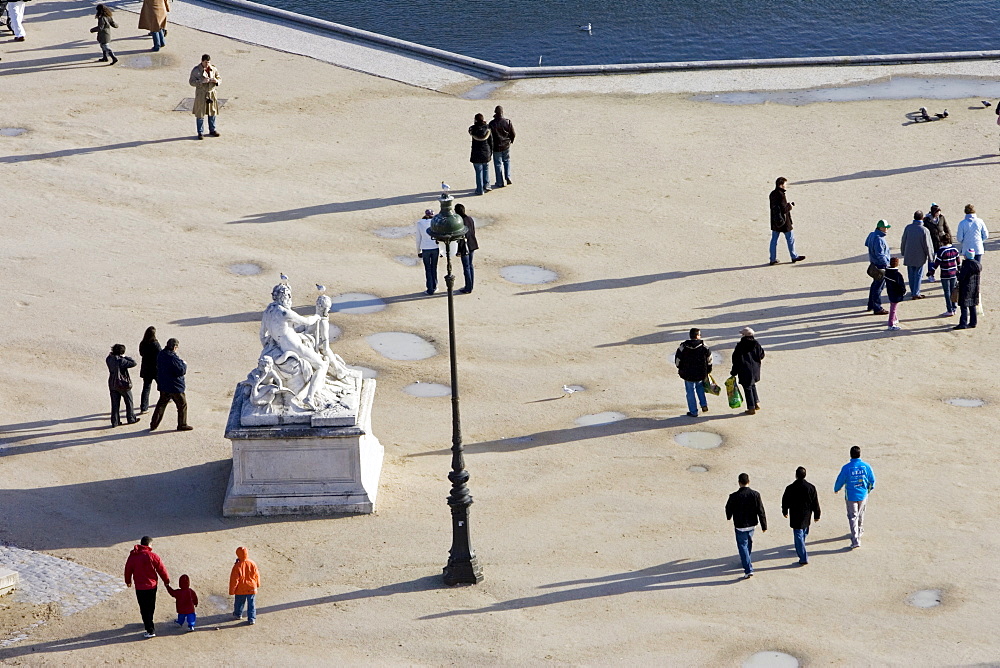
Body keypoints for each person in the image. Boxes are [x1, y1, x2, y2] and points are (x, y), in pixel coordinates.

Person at [124, 536, 170, 638]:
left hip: (140, 587)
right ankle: (149, 624)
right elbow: (161, 569)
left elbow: (128, 569)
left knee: (144, 608)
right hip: (152, 586)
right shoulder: (153, 556)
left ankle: (149, 627)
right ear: (149, 544)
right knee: (151, 605)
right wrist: (166, 581)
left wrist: (128, 581)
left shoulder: (133, 556)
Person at [725, 473, 767, 579]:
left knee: (742, 545)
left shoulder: (734, 496)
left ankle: (748, 569)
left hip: (740, 525)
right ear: (749, 481)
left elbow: (728, 508)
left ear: (739, 482)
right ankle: (746, 559)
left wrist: (729, 516)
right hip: (751, 524)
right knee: (748, 541)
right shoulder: (755, 494)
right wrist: (764, 525)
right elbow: (761, 510)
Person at [834, 446, 876, 549]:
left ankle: (856, 539)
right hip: (863, 495)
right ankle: (860, 530)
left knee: (853, 517)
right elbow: (872, 481)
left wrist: (836, 488)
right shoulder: (866, 466)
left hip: (851, 496)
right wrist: (868, 490)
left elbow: (841, 479)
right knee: (860, 514)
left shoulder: (847, 467)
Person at [149, 338, 193, 431]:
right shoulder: (172, 358)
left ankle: (154, 424)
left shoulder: (161, 354)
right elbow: (181, 371)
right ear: (174, 347)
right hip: (174, 386)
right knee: (182, 405)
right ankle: (182, 424)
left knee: (161, 404)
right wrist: (184, 364)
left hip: (164, 385)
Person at [781, 467, 821, 565]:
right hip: (807, 514)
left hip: (795, 514)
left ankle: (803, 556)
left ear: (796, 475)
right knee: (804, 531)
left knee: (798, 534)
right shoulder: (811, 487)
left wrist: (785, 511)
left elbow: (785, 500)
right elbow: (815, 502)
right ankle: (801, 549)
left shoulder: (790, 488)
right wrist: (817, 514)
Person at [674, 328, 712, 418]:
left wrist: (680, 368)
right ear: (698, 336)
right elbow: (709, 360)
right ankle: (703, 404)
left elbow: (677, 360)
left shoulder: (683, 347)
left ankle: (693, 411)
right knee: (700, 388)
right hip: (700, 372)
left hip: (687, 373)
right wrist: (708, 370)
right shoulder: (704, 347)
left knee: (690, 391)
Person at [768, 177, 805, 265]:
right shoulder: (781, 194)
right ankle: (794, 256)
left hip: (775, 221)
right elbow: (784, 209)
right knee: (790, 239)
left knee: (774, 240)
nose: (786, 186)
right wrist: (790, 205)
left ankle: (772, 259)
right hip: (784, 222)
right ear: (781, 185)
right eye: (785, 184)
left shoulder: (772, 194)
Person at [730, 326, 764, 415]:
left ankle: (751, 407)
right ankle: (756, 402)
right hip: (755, 369)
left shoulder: (740, 346)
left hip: (745, 369)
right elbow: (762, 355)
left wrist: (733, 372)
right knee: (752, 385)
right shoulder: (756, 344)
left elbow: (736, 360)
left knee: (747, 388)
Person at [899, 210, 933, 299]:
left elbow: (903, 241)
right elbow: (928, 245)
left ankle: (913, 290)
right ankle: (916, 293)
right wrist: (930, 257)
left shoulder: (908, 228)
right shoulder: (924, 230)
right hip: (920, 256)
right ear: (922, 218)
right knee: (918, 274)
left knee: (911, 274)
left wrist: (903, 252)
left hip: (909, 254)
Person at [107, 344, 140, 427]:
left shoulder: (109, 359)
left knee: (114, 404)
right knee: (129, 401)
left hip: (112, 383)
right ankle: (131, 418)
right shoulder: (121, 360)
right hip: (122, 384)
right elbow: (133, 363)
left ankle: (115, 422)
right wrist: (124, 356)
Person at [189, 54, 221, 140]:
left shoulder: (213, 69)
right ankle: (200, 132)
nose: (207, 64)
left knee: (212, 112)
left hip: (211, 93)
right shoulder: (196, 70)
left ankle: (212, 130)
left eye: (208, 62)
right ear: (202, 61)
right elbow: (191, 82)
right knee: (200, 113)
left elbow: (219, 78)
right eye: (206, 62)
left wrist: (216, 81)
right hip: (201, 94)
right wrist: (201, 81)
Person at [865, 219, 891, 315]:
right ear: (880, 228)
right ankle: (877, 307)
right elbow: (880, 254)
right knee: (878, 287)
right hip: (880, 266)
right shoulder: (879, 239)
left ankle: (871, 305)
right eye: (885, 228)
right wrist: (887, 264)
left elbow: (867, 243)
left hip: (874, 264)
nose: (886, 229)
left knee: (874, 285)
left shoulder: (872, 235)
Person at [230, 546, 260, 625]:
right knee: (251, 604)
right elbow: (257, 575)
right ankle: (252, 618)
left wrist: (232, 591)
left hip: (241, 588)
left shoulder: (237, 566)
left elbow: (234, 580)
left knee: (239, 602)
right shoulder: (252, 563)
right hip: (252, 587)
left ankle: (238, 614)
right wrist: (257, 584)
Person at [954, 249, 981, 330]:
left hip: (965, 288)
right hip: (975, 288)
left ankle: (963, 323)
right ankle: (973, 322)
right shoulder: (977, 265)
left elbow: (961, 278)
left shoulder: (967, 265)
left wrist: (957, 273)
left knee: (964, 306)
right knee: (972, 305)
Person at [455, 202, 479, 294]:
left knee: (466, 267)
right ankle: (470, 285)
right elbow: (472, 231)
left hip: (465, 247)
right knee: (470, 265)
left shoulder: (460, 222)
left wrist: (459, 250)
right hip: (472, 244)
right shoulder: (470, 219)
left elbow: (461, 237)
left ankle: (468, 287)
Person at [488, 105, 515, 188]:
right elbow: (513, 133)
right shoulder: (508, 121)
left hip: (496, 146)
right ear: (502, 112)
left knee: (498, 164)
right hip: (506, 145)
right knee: (506, 161)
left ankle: (500, 182)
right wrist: (510, 141)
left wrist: (490, 146)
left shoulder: (492, 123)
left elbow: (490, 137)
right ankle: (508, 177)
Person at [922, 204, 950, 281]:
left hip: (941, 243)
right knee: (931, 260)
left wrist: (949, 239)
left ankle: (943, 274)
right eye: (937, 212)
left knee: (942, 259)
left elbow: (946, 228)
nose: (939, 214)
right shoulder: (927, 220)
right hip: (931, 243)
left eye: (939, 212)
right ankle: (930, 275)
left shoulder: (942, 218)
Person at [415, 209, 440, 295]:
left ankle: (429, 289)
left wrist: (418, 250)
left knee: (428, 269)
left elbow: (418, 239)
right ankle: (434, 286)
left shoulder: (419, 223)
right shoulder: (436, 223)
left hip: (425, 248)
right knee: (434, 267)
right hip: (435, 248)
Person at [138, 326, 161, 414]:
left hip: (146, 368)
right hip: (155, 368)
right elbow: (160, 355)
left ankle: (144, 407)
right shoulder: (155, 344)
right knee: (162, 384)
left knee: (146, 388)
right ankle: (167, 398)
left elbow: (141, 353)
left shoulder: (143, 343)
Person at [936, 234, 960, 317]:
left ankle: (949, 309)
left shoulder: (941, 251)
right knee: (953, 290)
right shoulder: (955, 249)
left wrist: (931, 272)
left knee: (947, 292)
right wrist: (959, 269)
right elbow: (958, 261)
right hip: (954, 273)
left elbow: (937, 263)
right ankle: (954, 307)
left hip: (945, 274)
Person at [469, 113, 492, 195]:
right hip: (485, 152)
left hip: (476, 154)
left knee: (478, 172)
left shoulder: (473, 129)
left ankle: (480, 189)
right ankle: (487, 186)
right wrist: (490, 152)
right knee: (486, 169)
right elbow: (490, 142)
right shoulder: (487, 129)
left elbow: (470, 130)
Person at [883, 257, 906, 331]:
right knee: (893, 308)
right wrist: (903, 292)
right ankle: (891, 324)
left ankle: (894, 319)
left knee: (893, 306)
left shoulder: (887, 273)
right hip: (896, 293)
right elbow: (901, 285)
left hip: (890, 292)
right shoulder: (897, 274)